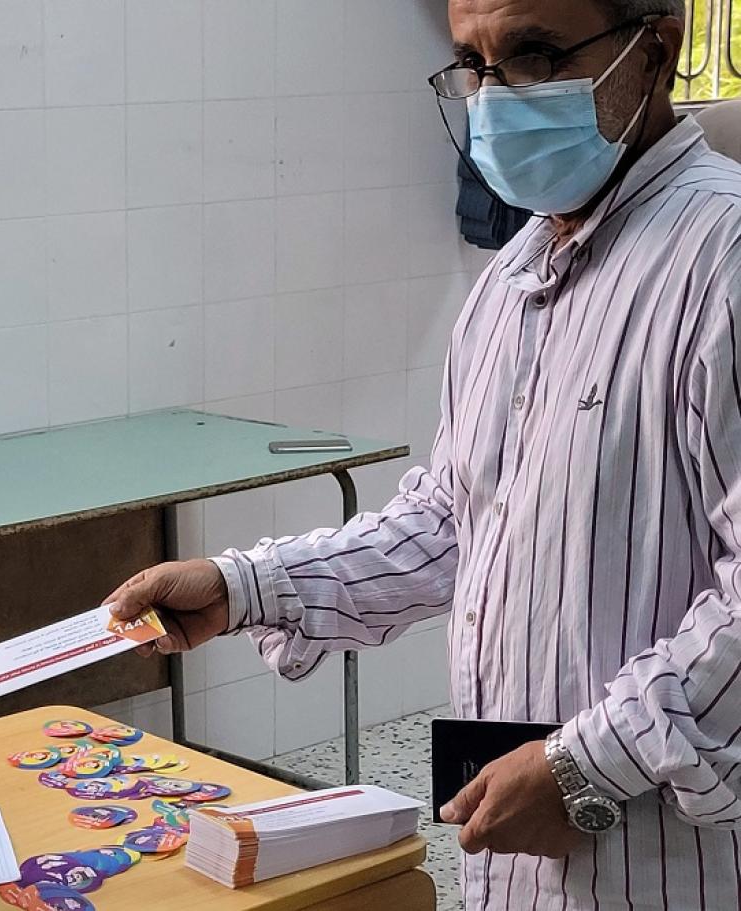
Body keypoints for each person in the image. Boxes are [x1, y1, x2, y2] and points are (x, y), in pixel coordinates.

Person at [109, 1, 741, 906]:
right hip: (515, 850)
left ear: (656, 50)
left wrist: (586, 764)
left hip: (671, 867)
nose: (495, 98)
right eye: (472, 64)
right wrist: (245, 585)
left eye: (533, 54)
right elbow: (450, 520)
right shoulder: (514, 276)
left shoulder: (722, 258)